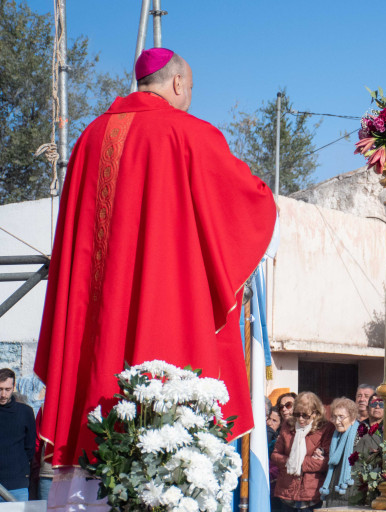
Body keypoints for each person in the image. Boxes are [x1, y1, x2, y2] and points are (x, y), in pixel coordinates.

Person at [33, 48, 277, 472]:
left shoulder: (91, 137)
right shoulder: (189, 133)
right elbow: (249, 202)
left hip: (94, 315)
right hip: (162, 307)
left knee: (94, 373)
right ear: (178, 83)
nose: (189, 97)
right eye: (191, 88)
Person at [271, 392, 334, 512]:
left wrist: (300, 464)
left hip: (312, 494)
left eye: (305, 415)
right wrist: (291, 461)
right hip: (287, 491)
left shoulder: (326, 428)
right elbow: (275, 455)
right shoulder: (287, 425)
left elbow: (328, 461)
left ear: (315, 413)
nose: (300, 419)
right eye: (297, 414)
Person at [0, 368, 36, 502]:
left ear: (14, 387)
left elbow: (30, 447)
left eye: (7, 389)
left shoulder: (25, 412)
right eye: (0, 389)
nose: (3, 394)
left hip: (18, 484)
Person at [320, 398, 360, 506]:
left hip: (352, 498)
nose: (337, 422)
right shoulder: (335, 438)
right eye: (334, 417)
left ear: (353, 418)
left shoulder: (363, 438)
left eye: (341, 417)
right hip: (333, 496)